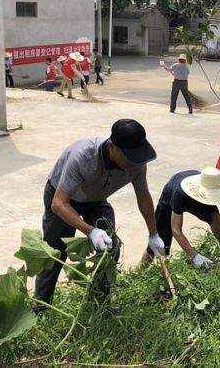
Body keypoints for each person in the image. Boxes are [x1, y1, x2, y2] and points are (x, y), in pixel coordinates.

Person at [35, 119, 165, 304]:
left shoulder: (136, 163)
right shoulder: (83, 156)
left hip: (95, 198)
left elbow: (143, 196)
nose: (133, 163)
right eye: (129, 157)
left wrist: (153, 234)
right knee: (54, 252)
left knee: (110, 246)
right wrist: (91, 231)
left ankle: (99, 303)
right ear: (112, 147)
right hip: (63, 197)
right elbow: (58, 203)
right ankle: (41, 305)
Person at [141, 168, 220, 269]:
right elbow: (176, 229)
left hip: (201, 194)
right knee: (158, 244)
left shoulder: (216, 187)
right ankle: (140, 272)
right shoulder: (179, 193)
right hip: (171, 197)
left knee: (215, 217)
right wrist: (194, 256)